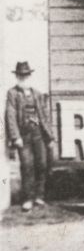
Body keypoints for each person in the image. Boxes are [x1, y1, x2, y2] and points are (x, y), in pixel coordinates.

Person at [5, 61, 54, 212]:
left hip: (39, 134)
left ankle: (39, 196)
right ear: (17, 76)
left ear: (30, 76)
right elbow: (10, 116)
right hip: (23, 136)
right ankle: (27, 199)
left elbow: (45, 116)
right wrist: (15, 137)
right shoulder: (12, 94)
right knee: (27, 166)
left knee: (42, 164)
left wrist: (50, 137)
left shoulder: (37, 94)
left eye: (26, 75)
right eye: (21, 75)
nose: (24, 78)